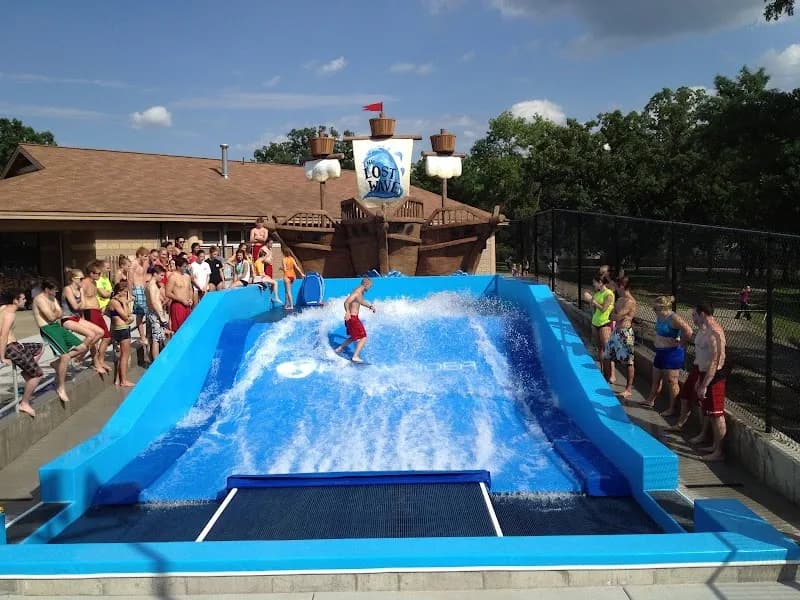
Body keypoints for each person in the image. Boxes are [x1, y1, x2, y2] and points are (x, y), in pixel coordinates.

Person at [683, 303, 729, 461]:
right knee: (709, 411)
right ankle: (714, 445)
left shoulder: (715, 334)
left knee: (717, 414)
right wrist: (700, 380)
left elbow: (715, 363)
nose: (693, 319)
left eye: (694, 315)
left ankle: (719, 451)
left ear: (702, 314)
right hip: (704, 375)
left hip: (714, 377)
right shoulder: (705, 330)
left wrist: (704, 384)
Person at [33, 280, 89, 403]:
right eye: (54, 290)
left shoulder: (52, 298)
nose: (55, 292)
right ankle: (61, 387)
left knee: (83, 347)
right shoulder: (39, 299)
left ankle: (56, 363)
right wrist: (56, 313)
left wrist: (56, 313)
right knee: (65, 357)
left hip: (57, 327)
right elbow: (51, 317)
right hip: (47, 329)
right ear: (47, 289)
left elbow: (60, 313)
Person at [644, 296, 693, 416]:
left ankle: (672, 408)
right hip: (660, 352)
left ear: (662, 308)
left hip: (672, 353)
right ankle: (650, 400)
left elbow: (688, 330)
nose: (652, 310)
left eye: (655, 308)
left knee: (672, 382)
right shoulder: (660, 316)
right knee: (656, 377)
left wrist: (681, 341)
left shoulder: (674, 318)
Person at [0, 289, 44, 418]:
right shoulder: (10, 314)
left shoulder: (3, 308)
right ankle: (24, 403)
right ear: (15, 300)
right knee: (38, 375)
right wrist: (2, 357)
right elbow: (3, 335)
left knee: (39, 347)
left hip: (15, 345)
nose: (25, 300)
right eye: (23, 299)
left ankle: (27, 371)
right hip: (10, 347)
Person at [62, 269, 106, 373]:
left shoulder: (79, 289)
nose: (83, 280)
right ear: (73, 279)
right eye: (81, 279)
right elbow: (75, 306)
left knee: (100, 332)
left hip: (77, 318)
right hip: (67, 318)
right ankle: (71, 356)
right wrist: (82, 297)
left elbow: (84, 305)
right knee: (90, 335)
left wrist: (81, 294)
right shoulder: (68, 289)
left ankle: (78, 355)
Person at [603, 276, 637, 399]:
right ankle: (606, 379)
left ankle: (628, 389)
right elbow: (612, 315)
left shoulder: (630, 302)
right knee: (606, 356)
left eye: (616, 286)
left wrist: (614, 315)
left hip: (625, 333)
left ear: (621, 286)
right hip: (616, 331)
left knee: (628, 361)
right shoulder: (620, 299)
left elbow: (615, 316)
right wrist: (614, 315)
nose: (615, 289)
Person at [334, 278, 376, 363]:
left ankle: (339, 349)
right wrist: (348, 312)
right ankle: (355, 356)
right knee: (363, 337)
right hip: (353, 318)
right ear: (366, 285)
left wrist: (370, 306)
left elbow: (361, 301)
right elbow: (346, 302)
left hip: (352, 318)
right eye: (370, 287)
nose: (369, 288)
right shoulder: (357, 292)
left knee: (354, 337)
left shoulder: (359, 292)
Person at [583, 274, 615, 380]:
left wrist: (593, 301)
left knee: (607, 350)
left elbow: (604, 309)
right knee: (600, 349)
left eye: (594, 283)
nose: (593, 284)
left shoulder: (609, 294)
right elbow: (594, 310)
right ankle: (602, 371)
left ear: (600, 283)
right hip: (595, 323)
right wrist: (590, 302)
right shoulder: (597, 294)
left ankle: (610, 374)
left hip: (605, 323)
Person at [106, 281, 135, 387]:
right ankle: (124, 380)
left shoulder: (112, 301)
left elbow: (107, 313)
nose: (126, 294)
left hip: (118, 328)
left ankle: (118, 379)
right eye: (125, 292)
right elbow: (126, 315)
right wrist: (125, 303)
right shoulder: (116, 302)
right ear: (120, 291)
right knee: (125, 355)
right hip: (121, 329)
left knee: (120, 355)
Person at [145, 265, 171, 361]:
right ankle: (156, 361)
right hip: (155, 314)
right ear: (155, 274)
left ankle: (151, 358)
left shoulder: (149, 284)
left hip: (151, 313)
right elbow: (153, 302)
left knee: (152, 337)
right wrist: (161, 316)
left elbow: (156, 300)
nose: (162, 277)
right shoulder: (152, 286)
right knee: (156, 339)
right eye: (161, 275)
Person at [166, 255, 193, 331]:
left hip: (187, 305)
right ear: (178, 266)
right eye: (184, 267)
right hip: (178, 305)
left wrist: (191, 299)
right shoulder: (173, 277)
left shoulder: (187, 276)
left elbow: (190, 289)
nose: (186, 268)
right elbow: (168, 293)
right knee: (178, 329)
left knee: (187, 328)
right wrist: (181, 300)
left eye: (186, 266)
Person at [130, 247, 150, 344]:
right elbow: (129, 280)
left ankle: (147, 335)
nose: (146, 258)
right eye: (145, 256)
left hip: (143, 288)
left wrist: (147, 289)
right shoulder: (133, 264)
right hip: (136, 288)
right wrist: (130, 293)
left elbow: (145, 276)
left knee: (148, 312)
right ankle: (142, 336)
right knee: (140, 314)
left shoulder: (145, 264)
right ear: (139, 255)